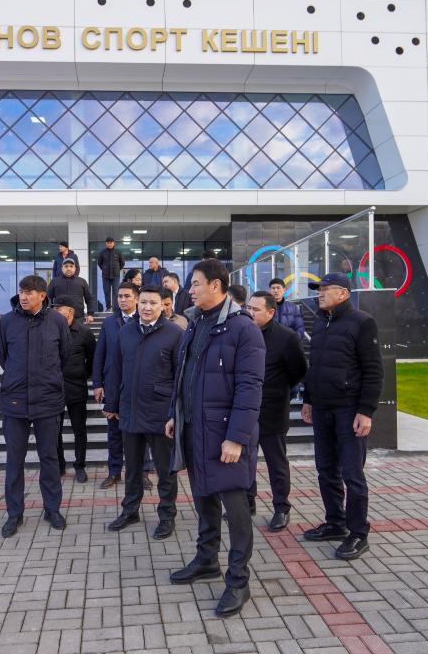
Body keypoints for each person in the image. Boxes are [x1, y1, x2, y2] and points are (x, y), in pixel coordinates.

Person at [166, 259, 265, 618]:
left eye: (195, 283)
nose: (189, 290)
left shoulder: (243, 329)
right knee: (204, 498)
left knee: (235, 509)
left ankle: (238, 580)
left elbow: (250, 388)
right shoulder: (195, 324)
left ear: (216, 286)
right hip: (195, 430)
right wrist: (175, 415)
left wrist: (236, 438)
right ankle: (207, 560)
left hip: (226, 436)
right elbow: (183, 377)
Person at [301, 273, 383, 560]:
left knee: (352, 474)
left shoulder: (362, 322)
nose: (320, 293)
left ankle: (358, 533)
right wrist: (308, 399)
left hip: (349, 410)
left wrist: (366, 411)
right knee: (326, 469)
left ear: (344, 293)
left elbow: (373, 370)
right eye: (319, 289)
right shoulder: (320, 322)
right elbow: (314, 365)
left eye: (326, 289)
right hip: (322, 408)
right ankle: (336, 523)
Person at [104, 285, 182, 540]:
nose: (147, 308)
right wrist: (112, 404)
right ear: (137, 304)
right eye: (144, 302)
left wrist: (175, 413)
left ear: (164, 305)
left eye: (153, 303)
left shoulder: (174, 333)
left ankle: (167, 515)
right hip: (130, 411)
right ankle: (130, 511)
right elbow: (115, 369)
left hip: (161, 415)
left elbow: (180, 378)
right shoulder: (126, 331)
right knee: (133, 468)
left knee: (165, 470)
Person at [0, 275, 71, 537]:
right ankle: (14, 514)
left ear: (42, 295)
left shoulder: (57, 321)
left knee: (49, 458)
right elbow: (4, 357)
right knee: (14, 461)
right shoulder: (7, 321)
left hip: (48, 401)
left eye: (29, 292)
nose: (24, 296)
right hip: (14, 401)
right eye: (21, 291)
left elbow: (63, 357)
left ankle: (52, 509)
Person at [244, 291, 308, 531]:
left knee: (276, 463)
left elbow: (298, 370)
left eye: (255, 309)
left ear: (271, 312)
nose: (249, 313)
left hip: (272, 411)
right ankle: (248, 502)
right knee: (245, 461)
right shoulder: (242, 332)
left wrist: (279, 389)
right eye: (248, 308)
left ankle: (282, 508)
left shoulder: (286, 337)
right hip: (245, 412)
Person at [92, 282, 155, 490]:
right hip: (112, 386)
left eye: (127, 296)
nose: (122, 300)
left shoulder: (144, 321)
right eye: (119, 296)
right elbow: (100, 354)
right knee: (114, 433)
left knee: (141, 433)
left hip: (137, 386)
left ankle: (143, 473)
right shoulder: (109, 323)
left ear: (136, 299)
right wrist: (98, 383)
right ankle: (114, 471)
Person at [53, 294, 96, 483]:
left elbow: (93, 359)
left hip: (76, 388)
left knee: (79, 430)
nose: (55, 313)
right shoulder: (50, 330)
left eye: (58, 310)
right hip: (54, 389)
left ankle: (80, 466)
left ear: (70, 312)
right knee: (55, 431)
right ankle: (59, 466)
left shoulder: (84, 332)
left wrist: (82, 374)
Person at [48, 258, 95, 324]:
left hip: (78, 318)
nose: (69, 268)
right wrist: (49, 312)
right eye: (66, 266)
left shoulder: (82, 281)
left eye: (71, 266)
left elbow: (89, 299)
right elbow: (48, 298)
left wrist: (90, 314)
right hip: (59, 317)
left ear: (75, 268)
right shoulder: (54, 281)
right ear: (62, 268)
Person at [98, 237, 125, 311]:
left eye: (111, 243)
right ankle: (108, 307)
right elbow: (99, 263)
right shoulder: (102, 252)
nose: (109, 244)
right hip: (105, 276)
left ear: (114, 243)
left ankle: (115, 307)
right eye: (108, 243)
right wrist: (104, 269)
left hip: (115, 276)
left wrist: (117, 269)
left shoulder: (118, 252)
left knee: (116, 292)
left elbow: (122, 263)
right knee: (106, 292)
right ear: (106, 244)